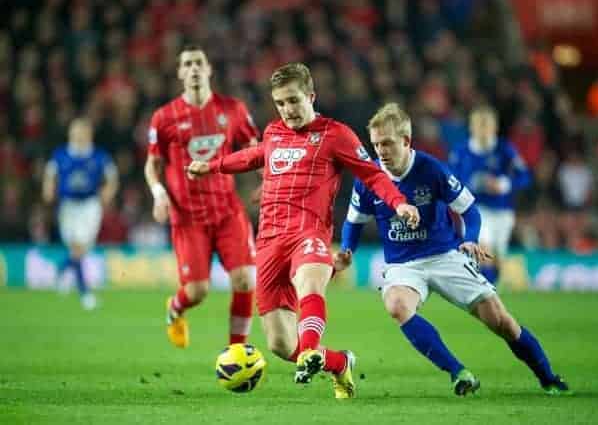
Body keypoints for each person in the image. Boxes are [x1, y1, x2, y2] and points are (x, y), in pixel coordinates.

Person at [187, 62, 420, 399]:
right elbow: (255, 156)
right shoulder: (273, 133)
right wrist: (212, 166)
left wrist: (398, 203)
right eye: (280, 103)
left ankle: (310, 350)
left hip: (308, 233)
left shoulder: (336, 134)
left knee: (309, 282)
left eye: (294, 101)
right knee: (281, 344)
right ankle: (339, 362)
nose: (287, 110)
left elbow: (372, 175)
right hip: (268, 241)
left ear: (311, 96)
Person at [336, 103, 570, 396]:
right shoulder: (368, 178)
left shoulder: (431, 169)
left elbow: (470, 210)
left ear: (406, 141)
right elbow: (354, 222)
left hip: (444, 255)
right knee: (396, 305)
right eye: (375, 144)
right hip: (403, 265)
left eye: (387, 143)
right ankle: (459, 372)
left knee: (502, 323)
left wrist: (470, 238)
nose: (380, 151)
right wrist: (347, 250)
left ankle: (548, 377)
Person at [145, 46, 259, 349]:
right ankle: (175, 307)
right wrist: (159, 195)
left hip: (227, 210)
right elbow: (152, 165)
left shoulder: (233, 109)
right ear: (180, 73)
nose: (194, 68)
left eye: (199, 63)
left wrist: (266, 181)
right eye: (187, 64)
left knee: (246, 280)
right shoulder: (164, 117)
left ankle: (238, 350)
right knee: (196, 292)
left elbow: (255, 147)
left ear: (209, 70)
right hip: (188, 216)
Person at [42, 117, 118, 310]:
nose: (78, 135)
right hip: (68, 206)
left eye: (82, 131)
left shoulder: (98, 156)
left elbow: (112, 176)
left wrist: (108, 191)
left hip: (90, 205)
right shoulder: (61, 154)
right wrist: (49, 188)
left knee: (81, 249)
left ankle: (61, 269)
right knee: (77, 249)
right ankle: (85, 294)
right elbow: (50, 173)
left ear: (89, 134)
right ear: (70, 133)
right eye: (75, 131)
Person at [448, 106, 530, 285]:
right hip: (474, 210)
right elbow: (452, 180)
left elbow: (524, 176)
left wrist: (505, 184)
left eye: (487, 126)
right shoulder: (461, 151)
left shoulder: (504, 149)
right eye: (479, 126)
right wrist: (474, 184)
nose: (483, 131)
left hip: (502, 211)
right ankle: (484, 294)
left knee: (498, 258)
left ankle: (491, 289)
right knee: (484, 250)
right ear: (472, 127)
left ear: (495, 128)